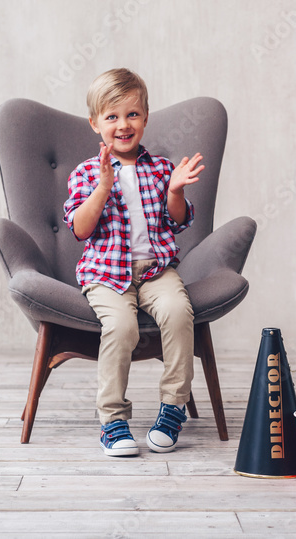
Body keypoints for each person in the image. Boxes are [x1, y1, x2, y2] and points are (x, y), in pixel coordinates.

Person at [63, 67, 205, 456]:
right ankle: (112, 420)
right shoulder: (87, 173)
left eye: (132, 115)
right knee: (122, 327)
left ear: (145, 118)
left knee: (178, 313)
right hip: (107, 276)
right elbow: (79, 229)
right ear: (95, 123)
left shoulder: (160, 169)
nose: (123, 125)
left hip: (157, 270)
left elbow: (176, 221)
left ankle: (173, 407)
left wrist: (175, 190)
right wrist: (103, 188)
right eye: (112, 117)